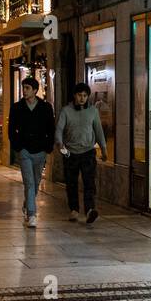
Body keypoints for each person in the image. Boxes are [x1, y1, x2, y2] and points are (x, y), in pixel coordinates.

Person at [54, 81, 107, 224]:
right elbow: (59, 129)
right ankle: (74, 210)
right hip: (70, 153)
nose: (82, 98)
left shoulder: (93, 111)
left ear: (88, 96)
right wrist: (60, 144)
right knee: (71, 183)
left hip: (88, 152)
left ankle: (90, 210)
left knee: (89, 182)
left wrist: (103, 148)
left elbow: (99, 131)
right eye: (79, 95)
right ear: (74, 96)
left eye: (85, 95)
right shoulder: (66, 111)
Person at [8, 77, 55, 228]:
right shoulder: (17, 107)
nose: (25, 91)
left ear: (35, 90)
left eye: (27, 88)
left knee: (35, 182)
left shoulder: (45, 107)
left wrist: (48, 147)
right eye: (24, 88)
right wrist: (17, 146)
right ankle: (32, 214)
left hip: (40, 150)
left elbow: (51, 128)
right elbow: (11, 129)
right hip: (24, 150)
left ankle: (27, 204)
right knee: (29, 183)